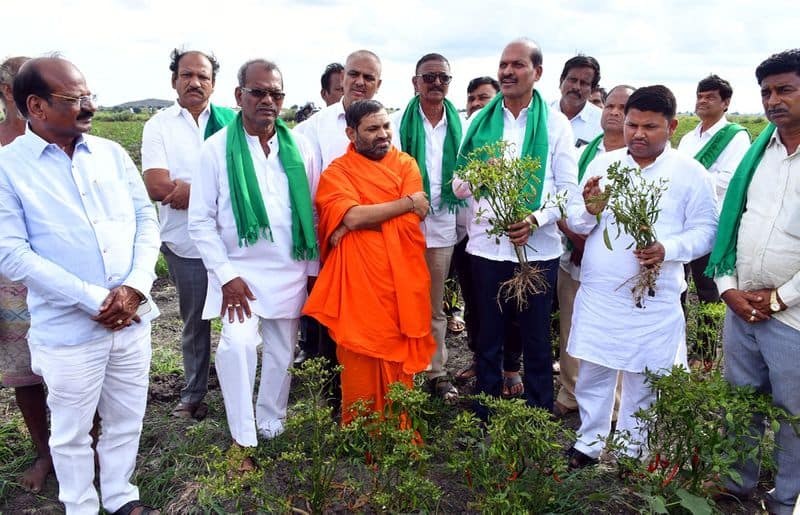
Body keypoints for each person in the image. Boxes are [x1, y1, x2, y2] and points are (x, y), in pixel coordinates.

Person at [0, 57, 161, 515]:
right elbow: (12, 253)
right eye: (75, 99)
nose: (88, 106)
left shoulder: (110, 154)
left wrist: (133, 289)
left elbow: (145, 220)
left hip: (131, 318)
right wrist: (95, 299)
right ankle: (80, 505)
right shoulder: (8, 168)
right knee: (70, 431)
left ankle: (119, 497)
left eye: (90, 96)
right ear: (36, 106)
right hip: (69, 329)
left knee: (126, 418)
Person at [565, 85, 717, 468]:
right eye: (632, 124)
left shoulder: (691, 174)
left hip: (654, 295)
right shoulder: (604, 163)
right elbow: (579, 221)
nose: (637, 134)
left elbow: (706, 231)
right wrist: (590, 210)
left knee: (644, 377)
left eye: (650, 126)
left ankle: (634, 450)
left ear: (672, 126)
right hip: (601, 292)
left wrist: (668, 249)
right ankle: (590, 443)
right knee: (594, 371)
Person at [188, 59, 319, 470]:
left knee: (282, 353)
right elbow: (200, 222)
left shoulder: (300, 148)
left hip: (290, 269)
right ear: (238, 95)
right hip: (238, 276)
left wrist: (313, 272)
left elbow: (311, 214)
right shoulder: (215, 150)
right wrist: (227, 277)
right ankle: (242, 438)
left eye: (275, 94)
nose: (267, 100)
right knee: (237, 347)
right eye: (258, 92)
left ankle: (271, 423)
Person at [454, 38, 578, 417]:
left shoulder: (555, 124)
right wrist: (481, 172)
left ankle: (537, 413)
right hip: (486, 249)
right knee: (488, 337)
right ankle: (486, 412)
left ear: (537, 73)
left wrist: (535, 220)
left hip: (538, 251)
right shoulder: (478, 121)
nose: (507, 71)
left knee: (536, 337)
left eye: (517, 65)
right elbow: (458, 185)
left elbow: (568, 192)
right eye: (503, 64)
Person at [705, 48, 800, 515]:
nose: (773, 100)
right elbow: (732, 222)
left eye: (785, 89)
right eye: (766, 91)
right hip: (741, 307)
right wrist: (727, 288)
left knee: (794, 418)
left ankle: (786, 501)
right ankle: (736, 484)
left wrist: (782, 297)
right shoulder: (759, 154)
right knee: (739, 405)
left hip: (794, 317)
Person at [303, 99, 435, 424]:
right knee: (358, 357)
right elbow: (356, 213)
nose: (382, 134)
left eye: (386, 126)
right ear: (351, 133)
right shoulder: (337, 172)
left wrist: (353, 224)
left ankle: (397, 431)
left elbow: (411, 221)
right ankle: (361, 432)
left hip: (400, 283)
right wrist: (400, 204)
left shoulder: (406, 165)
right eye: (372, 129)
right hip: (359, 286)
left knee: (397, 362)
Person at [141, 49, 234, 421]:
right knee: (195, 323)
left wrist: (190, 191)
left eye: (203, 76)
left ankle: (234, 386)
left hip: (231, 242)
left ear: (213, 83)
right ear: (174, 80)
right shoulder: (159, 125)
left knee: (237, 320)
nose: (195, 82)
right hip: (185, 245)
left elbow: (245, 185)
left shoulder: (231, 122)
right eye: (187, 75)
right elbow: (157, 186)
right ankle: (194, 393)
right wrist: (214, 192)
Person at [294, 50, 385, 408]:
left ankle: (371, 394)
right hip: (329, 243)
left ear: (379, 83)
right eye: (354, 75)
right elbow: (305, 189)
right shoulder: (311, 129)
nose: (360, 82)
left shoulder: (384, 126)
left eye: (369, 77)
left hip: (376, 245)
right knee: (328, 326)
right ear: (343, 78)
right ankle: (335, 399)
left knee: (368, 324)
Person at [553, 84, 635, 418]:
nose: (614, 112)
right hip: (575, 255)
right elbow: (565, 199)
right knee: (572, 327)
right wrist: (574, 235)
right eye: (609, 105)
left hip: (619, 265)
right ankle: (571, 391)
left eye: (623, 107)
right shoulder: (584, 152)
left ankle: (613, 405)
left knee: (613, 333)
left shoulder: (640, 159)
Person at [391, 53, 462, 400]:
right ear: (415, 82)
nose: (436, 83)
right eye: (429, 77)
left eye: (443, 78)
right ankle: (401, 368)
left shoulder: (463, 127)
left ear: (450, 83)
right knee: (399, 302)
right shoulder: (394, 125)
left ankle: (436, 371)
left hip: (443, 230)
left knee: (435, 307)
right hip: (402, 229)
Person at [0, 55, 54, 494]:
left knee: (76, 363)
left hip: (59, 272)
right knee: (25, 372)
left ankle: (86, 442)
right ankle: (45, 452)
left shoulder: (59, 138)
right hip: (10, 282)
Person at [454, 74, 525, 397]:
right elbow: (457, 185)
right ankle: (480, 361)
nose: (476, 104)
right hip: (464, 237)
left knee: (508, 309)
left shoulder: (509, 137)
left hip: (504, 240)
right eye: (471, 99)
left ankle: (510, 368)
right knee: (475, 305)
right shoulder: (466, 133)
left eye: (484, 97)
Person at [677, 74, 751, 365]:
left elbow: (728, 181)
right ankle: (678, 350)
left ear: (726, 102)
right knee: (678, 289)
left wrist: (690, 180)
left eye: (710, 96)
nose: (702, 101)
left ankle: (706, 355)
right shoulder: (686, 138)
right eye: (699, 95)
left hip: (711, 226)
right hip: (682, 225)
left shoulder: (735, 136)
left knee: (708, 292)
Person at [552, 55, 603, 146]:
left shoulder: (601, 123)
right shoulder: (541, 114)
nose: (576, 87)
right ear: (561, 81)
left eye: (584, 83)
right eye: (572, 80)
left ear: (593, 89)